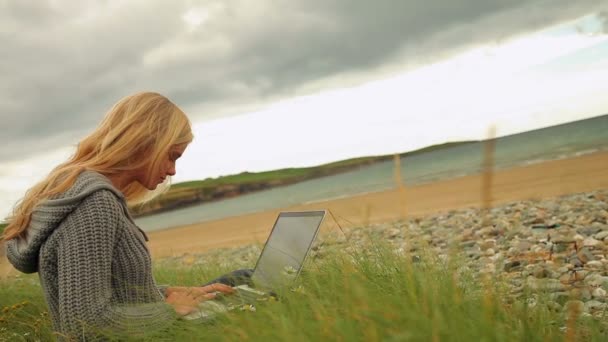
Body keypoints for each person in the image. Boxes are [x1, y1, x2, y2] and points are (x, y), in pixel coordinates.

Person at [2, 92, 250, 341]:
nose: (172, 170)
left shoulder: (88, 193)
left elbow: (111, 295)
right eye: (171, 155)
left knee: (241, 279)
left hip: (147, 326)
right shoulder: (94, 203)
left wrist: (166, 293)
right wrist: (170, 309)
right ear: (145, 142)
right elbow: (85, 325)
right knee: (252, 290)